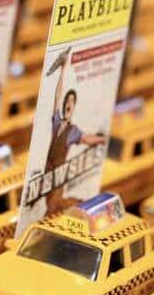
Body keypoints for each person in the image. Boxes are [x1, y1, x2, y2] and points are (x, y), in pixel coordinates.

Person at [44, 50, 107, 211]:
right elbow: (57, 96)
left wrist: (102, 139)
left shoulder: (73, 131)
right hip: (46, 174)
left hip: (58, 178)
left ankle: (76, 205)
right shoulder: (56, 121)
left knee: (52, 207)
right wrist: (63, 70)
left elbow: (87, 138)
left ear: (73, 107)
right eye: (67, 100)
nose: (68, 103)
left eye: (72, 101)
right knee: (46, 206)